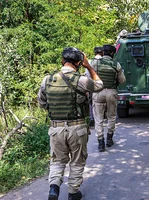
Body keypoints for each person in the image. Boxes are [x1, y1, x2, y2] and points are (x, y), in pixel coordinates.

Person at [38, 47, 103, 200]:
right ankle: (73, 192)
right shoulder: (82, 80)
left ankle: (54, 188)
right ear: (79, 63)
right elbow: (99, 85)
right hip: (77, 128)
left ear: (62, 60)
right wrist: (89, 66)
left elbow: (42, 103)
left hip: (56, 129)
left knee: (57, 161)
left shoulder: (47, 79)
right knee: (77, 161)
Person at [91, 44, 126, 152]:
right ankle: (109, 139)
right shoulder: (116, 64)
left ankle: (101, 143)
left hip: (98, 92)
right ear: (112, 53)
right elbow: (122, 80)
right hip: (111, 92)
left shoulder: (95, 63)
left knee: (98, 118)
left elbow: (89, 76)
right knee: (111, 116)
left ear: (103, 52)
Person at [85, 46, 104, 128]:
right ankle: (102, 117)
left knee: (92, 103)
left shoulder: (90, 62)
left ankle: (92, 117)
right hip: (104, 85)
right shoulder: (106, 62)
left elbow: (87, 76)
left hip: (92, 85)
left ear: (94, 53)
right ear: (102, 53)